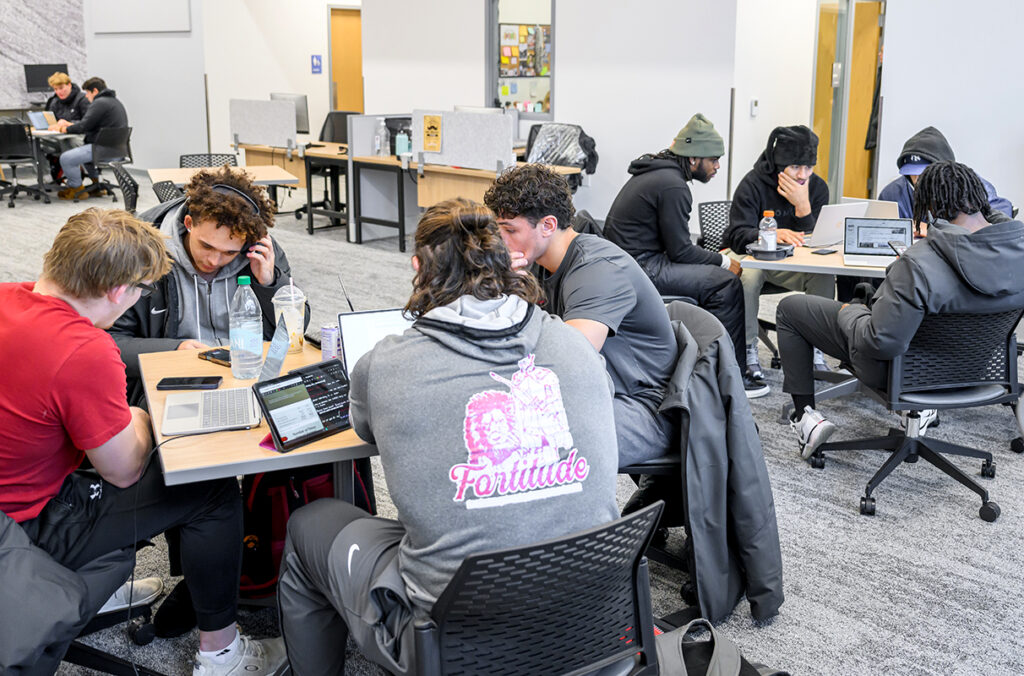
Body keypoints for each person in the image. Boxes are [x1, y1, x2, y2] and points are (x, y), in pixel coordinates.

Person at [277, 198, 620, 674]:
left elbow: (364, 430)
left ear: (418, 267)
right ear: (509, 263)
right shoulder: (573, 344)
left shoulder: (387, 362)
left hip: (457, 644)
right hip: (596, 621)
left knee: (310, 524)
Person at [0, 208, 286, 675]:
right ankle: (221, 655)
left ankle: (102, 585)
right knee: (209, 488)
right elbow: (124, 470)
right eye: (137, 292)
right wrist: (137, 415)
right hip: (25, 525)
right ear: (118, 291)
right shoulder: (85, 349)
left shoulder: (5, 297)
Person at [777, 161, 1024, 458]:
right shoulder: (1017, 251)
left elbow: (878, 342)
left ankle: (806, 421)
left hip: (903, 375)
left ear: (931, 206)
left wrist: (851, 310)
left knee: (791, 308)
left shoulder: (919, 262)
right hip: (974, 372)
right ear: (980, 198)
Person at [484, 163, 680, 467]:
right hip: (603, 391)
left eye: (509, 230)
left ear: (548, 225)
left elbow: (572, 360)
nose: (500, 241)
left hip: (644, 408)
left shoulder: (598, 270)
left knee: (513, 438)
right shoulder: (538, 260)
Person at [110, 166, 309, 408]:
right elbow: (109, 342)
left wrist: (269, 282)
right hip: (175, 379)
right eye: (206, 246)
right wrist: (174, 349)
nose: (213, 261)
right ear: (189, 223)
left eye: (229, 252)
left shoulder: (260, 250)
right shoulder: (142, 253)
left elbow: (295, 330)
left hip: (250, 375)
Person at [604, 113, 765, 397]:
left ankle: (706, 364)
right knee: (725, 284)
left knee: (714, 276)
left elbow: (676, 247)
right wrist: (726, 262)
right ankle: (733, 379)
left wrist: (715, 261)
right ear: (693, 159)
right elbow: (681, 251)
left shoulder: (659, 173)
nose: (717, 166)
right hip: (641, 267)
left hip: (630, 262)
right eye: (713, 159)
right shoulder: (673, 185)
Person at [724, 125, 834, 384]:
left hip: (791, 262)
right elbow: (735, 235)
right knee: (749, 275)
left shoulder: (817, 188)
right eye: (795, 167)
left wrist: (803, 207)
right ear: (779, 163)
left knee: (824, 276)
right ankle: (748, 348)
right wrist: (769, 236)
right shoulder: (753, 184)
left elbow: (819, 243)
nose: (802, 175)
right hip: (752, 257)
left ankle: (816, 348)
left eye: (808, 168)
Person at [878, 126, 1013, 222]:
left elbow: (1001, 214)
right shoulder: (892, 193)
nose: (918, 178)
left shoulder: (971, 185)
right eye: (912, 173)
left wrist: (932, 231)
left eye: (925, 172)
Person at [52, 77, 128, 200]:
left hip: (103, 149)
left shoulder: (99, 103)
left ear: (95, 91)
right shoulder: (114, 102)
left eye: (88, 92)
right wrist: (71, 125)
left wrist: (64, 129)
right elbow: (90, 124)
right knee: (84, 152)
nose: (86, 96)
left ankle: (77, 190)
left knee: (66, 158)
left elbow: (84, 126)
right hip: (117, 150)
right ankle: (97, 187)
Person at [41, 71, 89, 182]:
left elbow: (87, 123)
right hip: (57, 136)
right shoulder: (55, 102)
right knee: (35, 143)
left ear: (69, 85)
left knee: (67, 141)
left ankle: (74, 181)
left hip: (78, 136)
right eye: (56, 89)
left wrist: (69, 123)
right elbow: (51, 121)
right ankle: (47, 178)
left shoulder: (82, 99)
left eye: (61, 88)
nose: (59, 92)